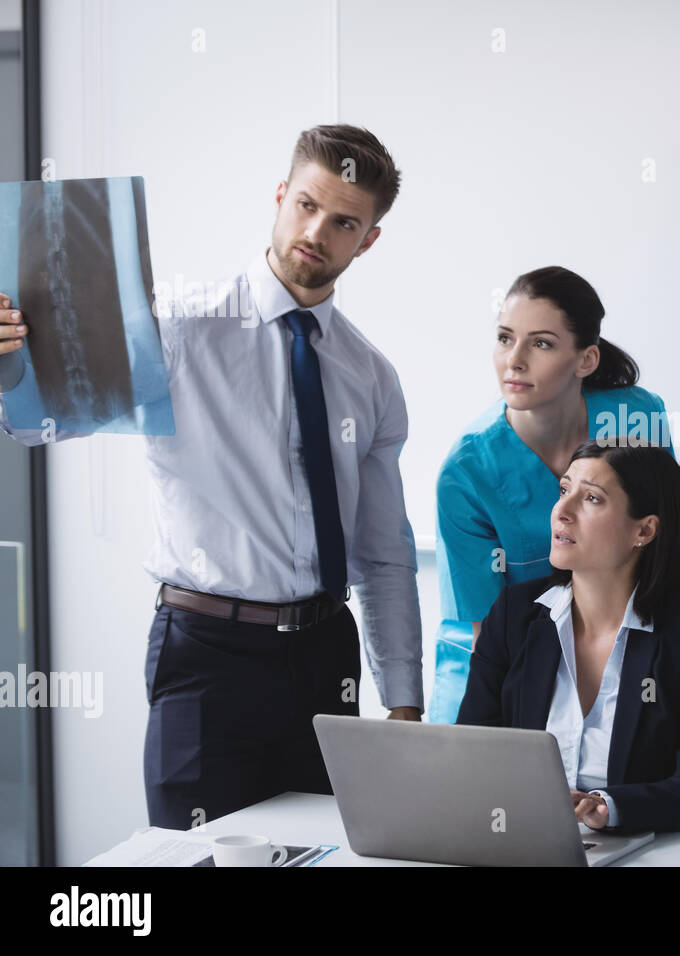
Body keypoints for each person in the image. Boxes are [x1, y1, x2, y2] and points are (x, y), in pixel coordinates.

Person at [0, 125, 424, 829]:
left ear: (368, 240)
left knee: (323, 855)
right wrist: (9, 363)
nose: (317, 231)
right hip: (207, 656)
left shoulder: (372, 377)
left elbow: (382, 552)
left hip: (325, 655)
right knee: (193, 860)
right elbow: (35, 425)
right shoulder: (174, 329)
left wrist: (403, 700)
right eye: (307, 205)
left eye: (345, 221)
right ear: (281, 196)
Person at [457, 440, 680, 833]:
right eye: (563, 490)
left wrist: (608, 807)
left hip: (643, 850)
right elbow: (469, 752)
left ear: (644, 530)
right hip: (523, 839)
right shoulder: (513, 615)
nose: (562, 511)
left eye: (591, 498)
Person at [433, 267, 666, 723]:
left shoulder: (636, 420)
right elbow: (486, 634)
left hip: (608, 655)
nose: (513, 361)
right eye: (504, 338)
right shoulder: (467, 472)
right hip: (497, 672)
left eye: (540, 343)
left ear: (586, 360)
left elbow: (661, 542)